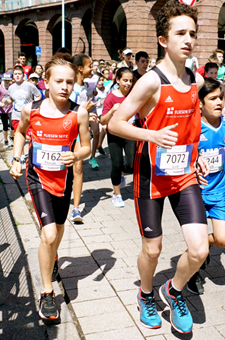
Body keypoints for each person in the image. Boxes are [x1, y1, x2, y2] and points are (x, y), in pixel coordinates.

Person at [109, 0, 209, 334]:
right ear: (163, 40)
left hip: (183, 175)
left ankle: (174, 290)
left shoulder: (193, 78)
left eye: (192, 33)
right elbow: (116, 124)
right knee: (153, 250)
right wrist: (151, 133)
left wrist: (198, 158)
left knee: (199, 249)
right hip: (150, 176)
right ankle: (146, 293)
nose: (188, 39)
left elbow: (191, 127)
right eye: (180, 33)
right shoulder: (151, 81)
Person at [9, 53, 91, 321]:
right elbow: (20, 132)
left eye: (70, 81)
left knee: (58, 229)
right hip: (38, 178)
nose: (65, 86)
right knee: (48, 235)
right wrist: (17, 158)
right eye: (59, 81)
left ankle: (52, 259)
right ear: (46, 82)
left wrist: (76, 155)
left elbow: (87, 147)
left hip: (63, 180)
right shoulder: (30, 110)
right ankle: (47, 292)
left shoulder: (78, 113)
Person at [187, 78, 225, 295]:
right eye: (212, 98)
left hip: (220, 192)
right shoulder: (193, 126)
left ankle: (203, 248)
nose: (219, 102)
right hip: (195, 192)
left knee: (221, 239)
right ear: (200, 103)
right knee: (197, 246)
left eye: (221, 97)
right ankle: (192, 273)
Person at [70, 53, 98, 223]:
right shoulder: (69, 86)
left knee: (78, 167)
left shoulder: (85, 87)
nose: (92, 68)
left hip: (80, 133)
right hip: (65, 134)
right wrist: (85, 112)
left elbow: (83, 112)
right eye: (90, 65)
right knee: (64, 169)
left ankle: (75, 209)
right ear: (80, 68)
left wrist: (89, 116)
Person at [101, 67, 135, 208]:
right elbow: (102, 120)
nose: (128, 84)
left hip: (130, 132)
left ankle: (121, 172)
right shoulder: (111, 97)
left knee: (132, 165)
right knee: (116, 164)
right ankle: (117, 195)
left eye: (130, 81)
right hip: (114, 133)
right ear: (118, 80)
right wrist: (113, 110)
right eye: (125, 80)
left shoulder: (134, 95)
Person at [2, 66, 42, 152]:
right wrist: (6, 101)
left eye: (19, 74)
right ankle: (22, 156)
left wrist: (34, 104)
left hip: (28, 116)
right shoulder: (11, 87)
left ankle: (32, 153)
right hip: (16, 116)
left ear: (23, 75)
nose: (17, 76)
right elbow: (11, 101)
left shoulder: (29, 85)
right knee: (19, 136)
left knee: (29, 136)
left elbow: (39, 95)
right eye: (15, 74)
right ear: (13, 76)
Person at [94, 75, 109, 155]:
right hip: (97, 112)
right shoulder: (94, 90)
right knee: (102, 128)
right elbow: (92, 102)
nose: (101, 82)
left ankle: (99, 145)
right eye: (99, 81)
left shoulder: (106, 89)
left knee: (104, 129)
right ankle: (97, 145)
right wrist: (100, 103)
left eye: (102, 80)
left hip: (106, 111)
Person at [0, 72, 13, 148]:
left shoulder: (12, 87)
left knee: (12, 125)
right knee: (5, 126)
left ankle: (11, 137)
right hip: (2, 109)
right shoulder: (0, 88)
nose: (7, 81)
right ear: (3, 80)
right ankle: (5, 140)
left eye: (8, 80)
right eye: (5, 80)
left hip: (11, 109)